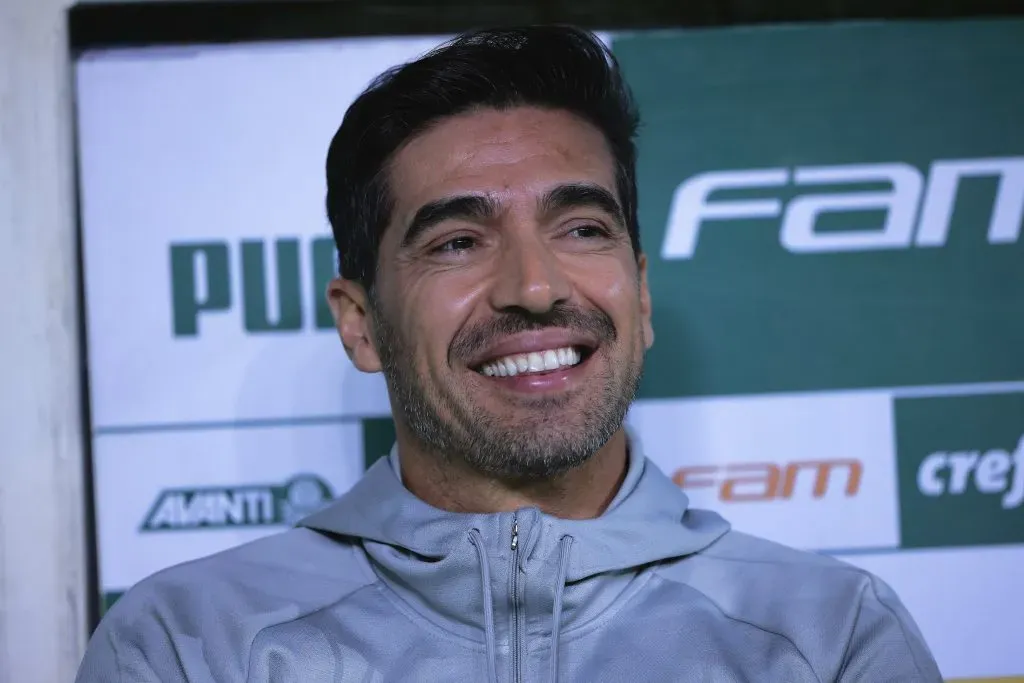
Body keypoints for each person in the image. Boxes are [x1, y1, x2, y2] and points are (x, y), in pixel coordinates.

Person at [76, 25, 943, 682]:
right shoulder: (190, 644)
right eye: (456, 240)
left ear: (640, 297)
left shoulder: (830, 637)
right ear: (360, 323)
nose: (534, 285)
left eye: (581, 226)